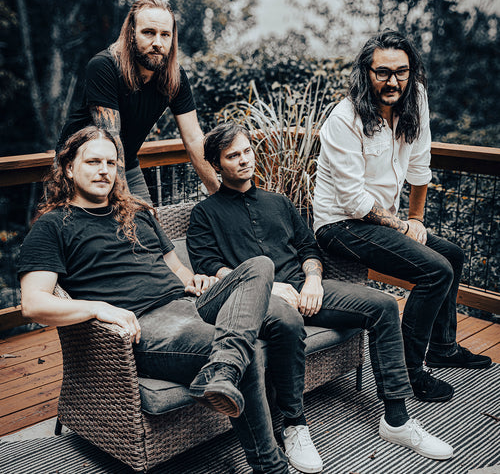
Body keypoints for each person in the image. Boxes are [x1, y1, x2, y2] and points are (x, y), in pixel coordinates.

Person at [18, 126, 290, 474]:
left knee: (259, 266)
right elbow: (34, 303)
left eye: (111, 163)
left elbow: (176, 269)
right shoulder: (53, 226)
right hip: (147, 325)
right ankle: (270, 465)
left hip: (189, 303)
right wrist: (99, 308)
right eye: (93, 162)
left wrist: (194, 279)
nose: (104, 170)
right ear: (69, 168)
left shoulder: (137, 213)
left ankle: (224, 369)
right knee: (245, 350)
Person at [186, 122, 454, 470]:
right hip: (259, 301)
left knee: (384, 306)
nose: (244, 160)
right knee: (287, 320)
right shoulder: (204, 214)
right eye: (232, 156)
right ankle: (294, 425)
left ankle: (397, 419)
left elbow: (308, 247)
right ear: (216, 165)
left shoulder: (278, 202)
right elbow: (209, 266)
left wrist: (313, 280)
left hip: (306, 288)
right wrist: (267, 286)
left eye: (247, 151)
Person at [313, 29, 491, 404]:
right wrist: (403, 227)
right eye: (382, 72)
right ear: (366, 72)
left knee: (452, 256)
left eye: (401, 72)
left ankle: (442, 348)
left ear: (411, 72)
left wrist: (417, 219)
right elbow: (353, 201)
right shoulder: (344, 119)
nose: (393, 82)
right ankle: (409, 373)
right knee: (435, 270)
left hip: (383, 220)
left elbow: (420, 166)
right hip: (339, 224)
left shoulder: (416, 98)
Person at [57, 0, 219, 204]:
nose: (157, 43)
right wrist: (126, 204)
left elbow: (194, 138)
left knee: (148, 222)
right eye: (148, 32)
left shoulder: (175, 77)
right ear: (131, 33)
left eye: (165, 35)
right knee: (104, 222)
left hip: (127, 162)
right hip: (82, 165)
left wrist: (219, 194)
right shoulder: (104, 66)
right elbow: (111, 138)